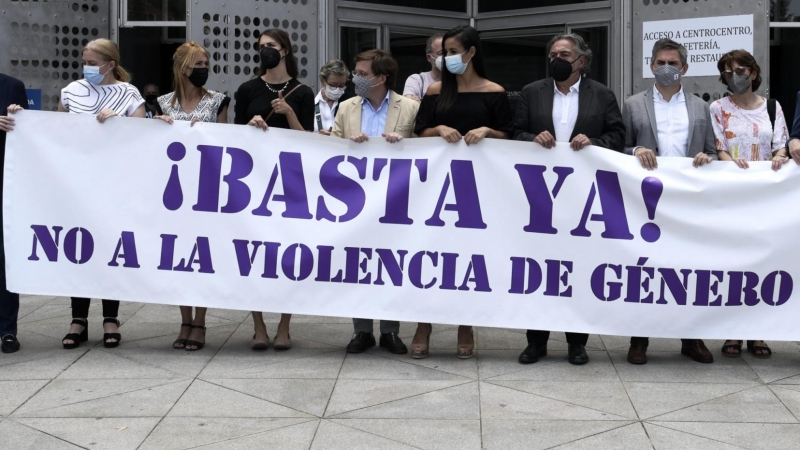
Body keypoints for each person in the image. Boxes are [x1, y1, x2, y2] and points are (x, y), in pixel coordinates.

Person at [512, 33, 625, 366]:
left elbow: (618, 135)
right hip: (539, 197)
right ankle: (536, 341)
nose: (557, 59)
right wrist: (533, 137)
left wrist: (595, 141)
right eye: (552, 54)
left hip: (582, 198)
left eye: (564, 54)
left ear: (581, 61)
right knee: (539, 268)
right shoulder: (533, 92)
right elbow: (513, 132)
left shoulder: (602, 95)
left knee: (577, 266)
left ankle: (577, 342)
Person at [413, 25, 512, 359]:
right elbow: (419, 132)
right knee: (430, 253)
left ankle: (464, 323)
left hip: (479, 190)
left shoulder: (495, 91)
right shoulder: (435, 91)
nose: (447, 58)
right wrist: (438, 128)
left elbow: (511, 136)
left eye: (453, 51)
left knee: (468, 255)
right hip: (435, 190)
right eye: (444, 52)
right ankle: (423, 324)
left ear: (471, 53)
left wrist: (489, 131)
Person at [622, 38, 717, 365]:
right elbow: (617, 148)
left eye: (673, 63)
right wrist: (636, 150)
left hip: (687, 201)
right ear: (650, 66)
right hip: (647, 199)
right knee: (645, 266)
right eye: (660, 62)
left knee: (687, 267)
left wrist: (708, 156)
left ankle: (691, 339)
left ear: (684, 68)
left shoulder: (700, 107)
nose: (666, 68)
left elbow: (714, 151)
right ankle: (639, 339)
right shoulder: (633, 104)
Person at [46, 38, 145, 350]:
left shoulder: (129, 94)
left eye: (92, 62)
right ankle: (78, 319)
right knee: (79, 248)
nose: (87, 67)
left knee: (109, 248)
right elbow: (56, 134)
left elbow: (142, 136)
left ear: (110, 64)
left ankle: (110, 318)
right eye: (84, 61)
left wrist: (119, 124)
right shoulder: (71, 92)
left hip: (114, 186)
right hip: (78, 185)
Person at [330, 49, 419, 355]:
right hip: (354, 199)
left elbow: (425, 149)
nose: (356, 78)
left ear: (382, 78)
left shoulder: (408, 107)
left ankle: (391, 331)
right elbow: (330, 147)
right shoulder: (346, 107)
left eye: (363, 74)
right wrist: (346, 143)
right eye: (356, 73)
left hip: (395, 199)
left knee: (391, 262)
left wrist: (405, 143)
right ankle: (362, 330)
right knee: (357, 262)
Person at [233, 28, 314, 350]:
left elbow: (309, 140)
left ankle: (284, 325)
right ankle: (258, 325)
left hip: (291, 180)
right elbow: (237, 138)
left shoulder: (302, 92)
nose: (265, 51)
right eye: (261, 47)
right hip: (254, 182)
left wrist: (289, 113)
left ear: (284, 50)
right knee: (255, 252)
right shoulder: (248, 88)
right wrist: (252, 126)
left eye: (271, 46)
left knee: (290, 253)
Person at [710, 49, 789, 360]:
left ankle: (757, 331)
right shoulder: (717, 108)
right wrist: (731, 163)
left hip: (766, 197)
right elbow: (719, 147)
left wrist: (780, 158)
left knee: (763, 263)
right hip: (733, 196)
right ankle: (732, 329)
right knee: (735, 263)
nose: (736, 77)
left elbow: (780, 145)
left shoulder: (772, 106)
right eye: (729, 72)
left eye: (741, 70)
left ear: (754, 73)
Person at [152, 41, 230, 351]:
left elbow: (227, 142)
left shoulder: (218, 101)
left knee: (203, 255)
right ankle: (184, 319)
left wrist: (207, 133)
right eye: (198, 64)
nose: (204, 70)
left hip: (206, 190)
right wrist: (154, 127)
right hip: (173, 192)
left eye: (206, 64)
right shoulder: (162, 103)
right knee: (178, 256)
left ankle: (200, 321)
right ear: (182, 67)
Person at [0, 73, 27, 354]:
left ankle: (8, 330)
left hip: (5, 185)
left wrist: (21, 117)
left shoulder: (13, 86)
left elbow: (30, 137)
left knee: (4, 259)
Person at [314, 59, 351, 135]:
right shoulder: (312, 103)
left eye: (341, 85)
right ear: (322, 81)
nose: (337, 89)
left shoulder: (350, 103)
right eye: (333, 85)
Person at [402, 34, 443, 102]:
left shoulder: (459, 81)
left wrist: (420, 102)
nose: (446, 56)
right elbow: (408, 105)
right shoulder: (417, 80)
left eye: (450, 52)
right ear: (429, 57)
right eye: (441, 53)